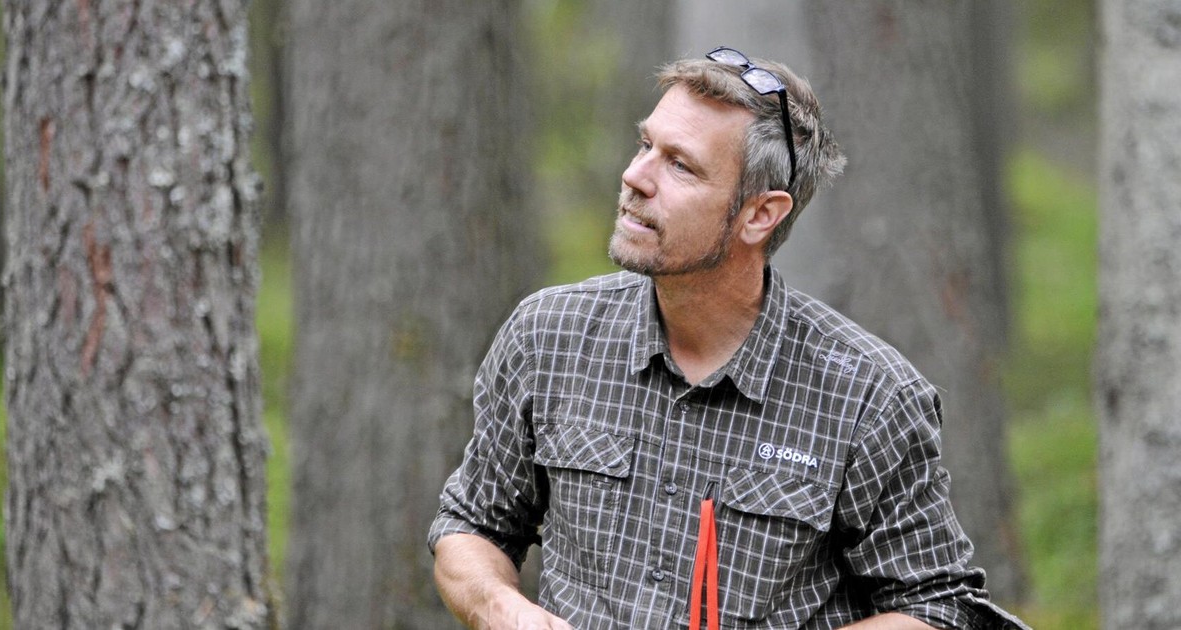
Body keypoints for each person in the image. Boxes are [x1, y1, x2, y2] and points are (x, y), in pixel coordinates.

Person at [428, 46, 1029, 630]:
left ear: (760, 214)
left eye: (680, 165)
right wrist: (504, 611)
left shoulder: (869, 398)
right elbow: (471, 524)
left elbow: (939, 606)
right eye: (645, 145)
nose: (635, 176)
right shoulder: (547, 336)